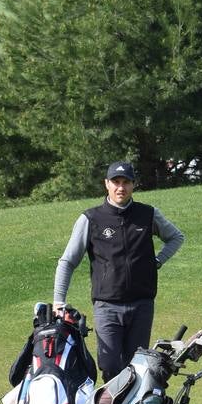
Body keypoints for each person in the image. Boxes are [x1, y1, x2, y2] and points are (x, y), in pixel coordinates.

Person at [54, 161, 185, 383]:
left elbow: (176, 237)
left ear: (134, 185)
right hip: (107, 306)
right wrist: (58, 301)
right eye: (116, 182)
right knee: (110, 366)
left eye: (126, 182)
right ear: (107, 184)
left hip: (142, 304)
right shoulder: (91, 219)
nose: (120, 188)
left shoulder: (147, 214)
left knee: (137, 367)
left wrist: (157, 261)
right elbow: (67, 261)